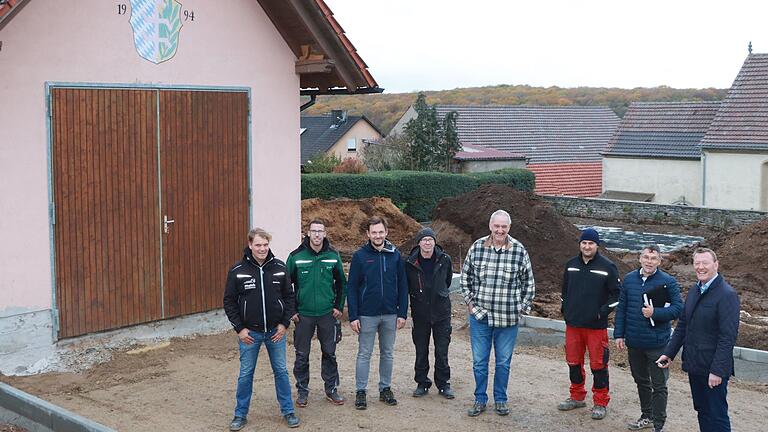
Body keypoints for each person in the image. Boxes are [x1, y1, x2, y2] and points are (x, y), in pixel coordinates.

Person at [460, 209, 535, 417]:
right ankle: (480, 399)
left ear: (509, 228)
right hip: (480, 318)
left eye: (504, 227)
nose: (500, 230)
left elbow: (529, 284)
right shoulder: (477, 248)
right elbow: (465, 280)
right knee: (479, 361)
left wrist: (521, 310)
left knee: (503, 362)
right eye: (497, 226)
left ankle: (500, 399)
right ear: (490, 226)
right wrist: (471, 306)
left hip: (507, 320)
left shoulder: (519, 251)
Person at [223, 228, 300, 430]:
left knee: (281, 371)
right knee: (246, 374)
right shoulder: (237, 271)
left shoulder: (280, 268)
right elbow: (229, 302)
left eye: (265, 245)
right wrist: (239, 329)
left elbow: (290, 297)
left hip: (276, 332)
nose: (262, 249)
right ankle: (240, 414)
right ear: (250, 245)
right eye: (258, 245)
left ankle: (288, 411)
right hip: (250, 334)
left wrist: (284, 324)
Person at [657, 248, 740, 432]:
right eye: (697, 263)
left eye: (705, 263)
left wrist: (717, 371)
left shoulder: (727, 295)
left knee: (716, 415)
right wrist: (669, 354)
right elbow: (683, 326)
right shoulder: (695, 290)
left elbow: (728, 337)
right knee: (702, 410)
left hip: (713, 369)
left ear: (716, 265)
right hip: (695, 364)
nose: (700, 267)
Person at [614, 244, 683, 432]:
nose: (649, 261)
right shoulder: (629, 280)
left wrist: (655, 313)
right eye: (646, 257)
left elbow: (678, 309)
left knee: (659, 384)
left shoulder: (668, 282)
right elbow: (622, 308)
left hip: (657, 344)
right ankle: (647, 416)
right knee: (641, 380)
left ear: (659, 261)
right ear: (640, 258)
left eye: (653, 258)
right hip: (634, 342)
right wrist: (619, 333)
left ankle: (658, 425)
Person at [347, 216, 409, 410]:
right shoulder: (360, 256)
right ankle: (361, 391)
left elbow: (403, 284)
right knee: (364, 353)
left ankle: (385, 388)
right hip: (367, 314)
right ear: (368, 234)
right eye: (374, 232)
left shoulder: (395, 255)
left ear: (386, 232)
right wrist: (353, 316)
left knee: (388, 353)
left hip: (390, 314)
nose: (377, 235)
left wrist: (402, 313)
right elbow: (352, 287)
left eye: (380, 232)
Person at [558, 228, 620, 420]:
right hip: (573, 324)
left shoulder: (607, 266)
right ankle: (577, 396)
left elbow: (617, 295)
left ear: (597, 245)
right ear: (580, 244)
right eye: (584, 243)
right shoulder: (571, 265)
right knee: (573, 362)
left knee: (598, 365)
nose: (587, 246)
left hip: (595, 327)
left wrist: (602, 312)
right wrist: (565, 309)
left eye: (591, 243)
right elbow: (564, 291)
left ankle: (600, 402)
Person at [286, 219, 347, 407]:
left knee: (329, 352)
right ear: (308, 233)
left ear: (325, 233)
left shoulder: (332, 256)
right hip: (303, 315)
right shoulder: (296, 256)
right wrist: (292, 311)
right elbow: (286, 286)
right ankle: (302, 391)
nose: (317, 235)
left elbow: (341, 283)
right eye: (314, 231)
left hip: (327, 314)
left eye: (320, 231)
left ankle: (331, 389)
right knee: (302, 355)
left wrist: (338, 306)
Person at [406, 227, 455, 399]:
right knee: (421, 350)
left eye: (430, 240)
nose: (427, 243)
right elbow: (407, 286)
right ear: (419, 243)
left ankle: (443, 384)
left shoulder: (445, 260)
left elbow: (447, 281)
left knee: (442, 351)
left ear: (435, 242)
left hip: (441, 313)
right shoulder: (410, 263)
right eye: (424, 240)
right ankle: (422, 382)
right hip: (420, 314)